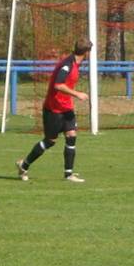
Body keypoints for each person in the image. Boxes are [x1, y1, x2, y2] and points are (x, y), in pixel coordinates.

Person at [15, 37, 92, 183]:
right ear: (87, 53)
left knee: (71, 135)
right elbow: (58, 85)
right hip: (54, 109)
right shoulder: (67, 65)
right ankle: (23, 165)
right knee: (50, 141)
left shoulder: (75, 64)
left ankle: (68, 174)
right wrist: (77, 94)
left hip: (66, 107)